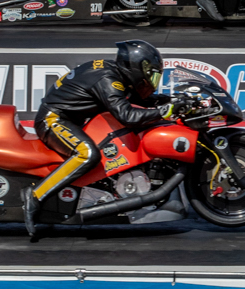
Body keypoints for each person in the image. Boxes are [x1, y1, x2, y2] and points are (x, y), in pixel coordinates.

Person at [23, 40, 170, 236]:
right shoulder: (107, 78)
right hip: (53, 120)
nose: (151, 81)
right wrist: (164, 111)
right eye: (151, 74)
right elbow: (127, 116)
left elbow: (136, 100)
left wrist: (171, 100)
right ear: (136, 68)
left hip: (71, 120)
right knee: (87, 154)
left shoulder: (115, 74)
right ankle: (35, 195)